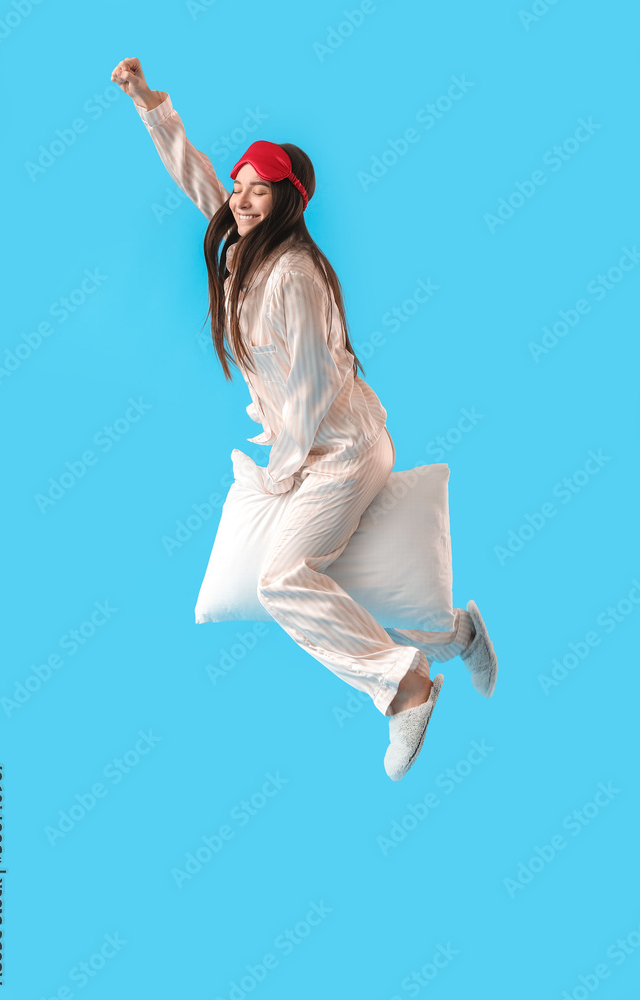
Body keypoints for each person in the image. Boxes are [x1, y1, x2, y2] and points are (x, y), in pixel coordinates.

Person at [110, 57, 499, 780]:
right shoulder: (246, 252)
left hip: (340, 450)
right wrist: (151, 105)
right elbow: (199, 182)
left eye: (259, 191)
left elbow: (314, 389)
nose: (241, 200)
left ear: (286, 201)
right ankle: (455, 635)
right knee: (357, 577)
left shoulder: (292, 274)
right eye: (239, 189)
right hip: (319, 448)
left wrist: (284, 473)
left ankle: (407, 690)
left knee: (284, 577)